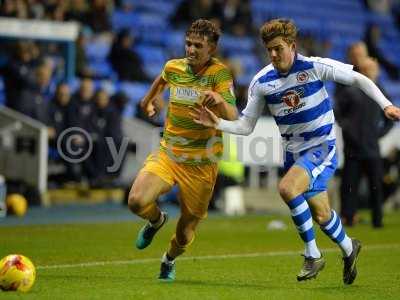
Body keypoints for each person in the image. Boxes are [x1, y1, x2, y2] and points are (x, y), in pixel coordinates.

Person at [191, 18, 400, 284]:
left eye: (278, 48)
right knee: (323, 215)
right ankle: (349, 248)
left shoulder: (314, 66)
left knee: (287, 188)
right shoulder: (262, 82)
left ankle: (312, 255)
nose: (274, 54)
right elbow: (246, 126)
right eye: (269, 50)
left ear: (292, 45)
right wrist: (217, 122)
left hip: (321, 147)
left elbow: (359, 79)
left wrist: (386, 105)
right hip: (294, 153)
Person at [127, 19, 238, 282]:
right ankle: (156, 220)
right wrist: (149, 99)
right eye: (188, 43)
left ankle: (168, 259)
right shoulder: (174, 66)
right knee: (136, 201)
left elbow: (233, 117)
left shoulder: (219, 75)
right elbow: (163, 79)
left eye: (198, 45)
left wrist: (220, 101)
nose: (190, 49)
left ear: (211, 49)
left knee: (186, 232)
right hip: (170, 152)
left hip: (202, 163)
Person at [335, 57, 393, 227]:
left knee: (376, 186)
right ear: (362, 71)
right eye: (367, 69)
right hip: (353, 149)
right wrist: (347, 129)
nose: (371, 72)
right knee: (349, 187)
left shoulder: (381, 93)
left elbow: (389, 119)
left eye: (373, 68)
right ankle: (348, 218)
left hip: (372, 149)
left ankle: (377, 220)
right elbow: (338, 112)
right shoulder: (351, 91)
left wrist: (378, 134)